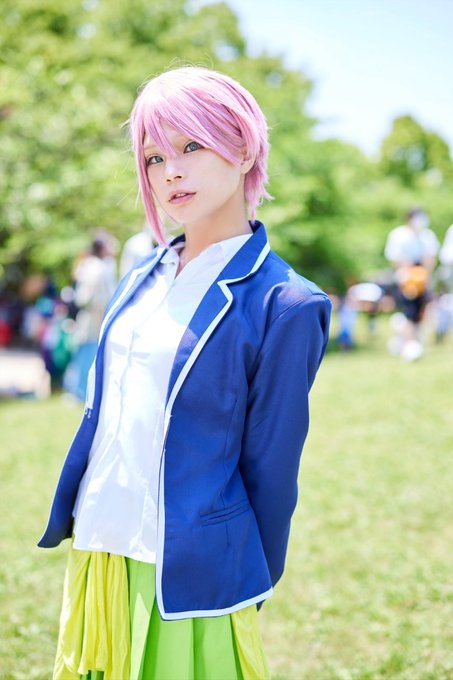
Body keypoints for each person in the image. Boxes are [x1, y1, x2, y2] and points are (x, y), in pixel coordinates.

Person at [39, 66, 331, 680]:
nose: (170, 171)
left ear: (244, 148)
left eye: (192, 145)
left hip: (190, 567)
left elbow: (272, 467)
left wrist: (244, 578)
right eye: (154, 157)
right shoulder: (140, 276)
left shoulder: (285, 303)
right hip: (101, 541)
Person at [63, 232, 117, 401]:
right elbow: (83, 297)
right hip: (91, 317)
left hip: (96, 316)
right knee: (87, 352)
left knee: (89, 351)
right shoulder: (94, 266)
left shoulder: (99, 265)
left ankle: (81, 390)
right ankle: (79, 391)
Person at [384, 208, 439, 360]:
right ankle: (409, 344)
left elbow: (431, 258)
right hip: (405, 279)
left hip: (423, 279)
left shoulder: (428, 236)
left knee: (421, 312)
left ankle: (414, 341)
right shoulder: (398, 234)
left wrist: (423, 273)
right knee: (409, 312)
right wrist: (410, 272)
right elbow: (395, 258)